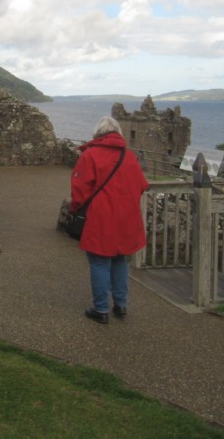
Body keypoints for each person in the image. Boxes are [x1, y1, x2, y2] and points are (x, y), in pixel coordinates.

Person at [70, 116, 149, 324]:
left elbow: (79, 190)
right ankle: (121, 305)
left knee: (99, 261)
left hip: (101, 217)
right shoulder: (129, 156)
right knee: (119, 259)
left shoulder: (90, 155)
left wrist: (76, 210)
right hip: (126, 217)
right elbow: (142, 185)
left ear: (98, 133)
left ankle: (101, 309)